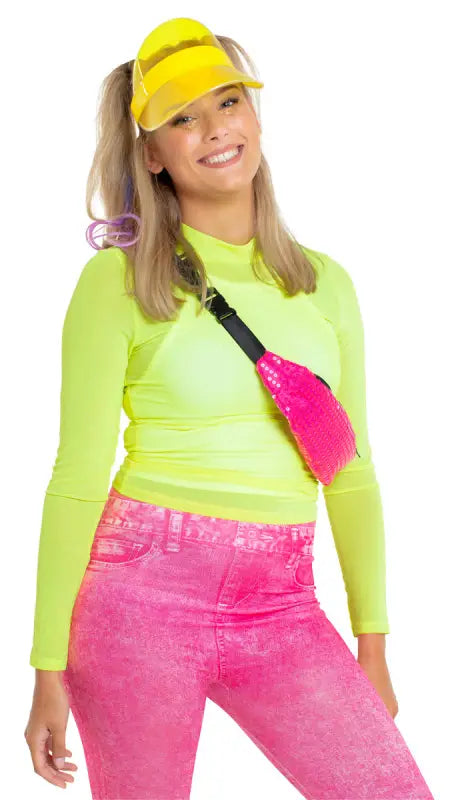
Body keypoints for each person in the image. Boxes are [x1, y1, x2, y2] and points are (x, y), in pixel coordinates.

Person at [24, 16, 434, 800]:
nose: (214, 129)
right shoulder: (118, 282)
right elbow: (76, 477)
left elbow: (351, 474)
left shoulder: (325, 284)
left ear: (254, 115)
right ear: (153, 155)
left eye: (227, 102)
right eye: (183, 118)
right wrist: (46, 667)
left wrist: (373, 643)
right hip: (140, 599)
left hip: (284, 603)